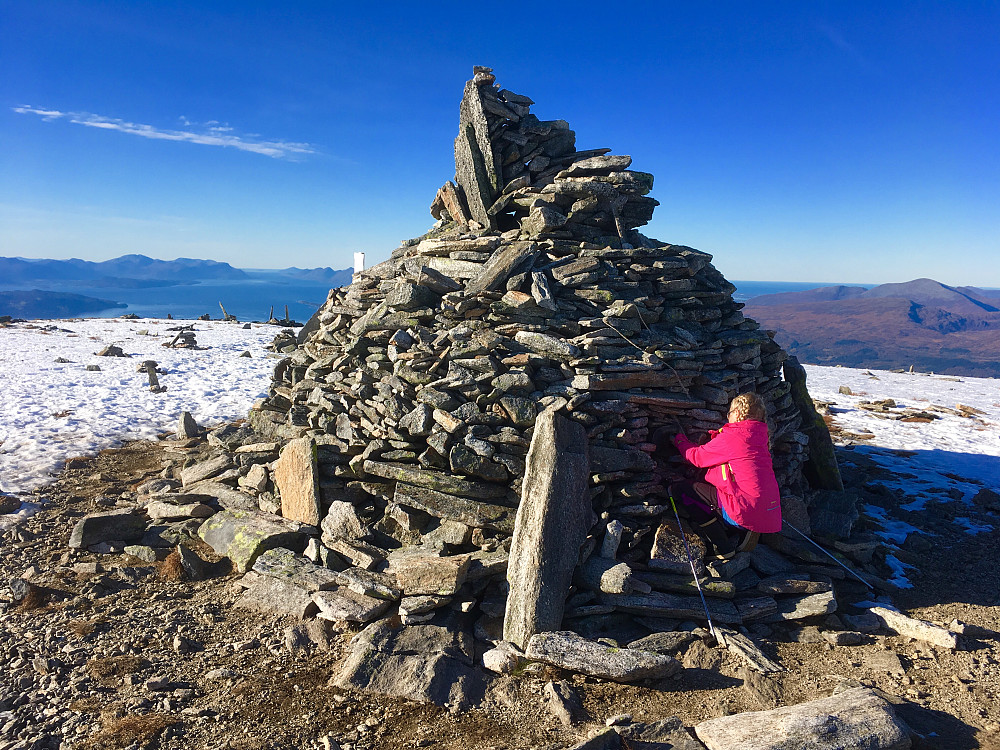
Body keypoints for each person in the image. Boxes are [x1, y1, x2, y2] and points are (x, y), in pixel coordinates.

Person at [668, 392, 782, 559]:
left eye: (729, 413)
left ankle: (722, 546)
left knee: (682, 490)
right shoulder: (761, 437)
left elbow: (697, 457)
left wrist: (679, 441)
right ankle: (746, 528)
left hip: (745, 509)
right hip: (769, 510)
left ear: (736, 413)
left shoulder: (734, 435)